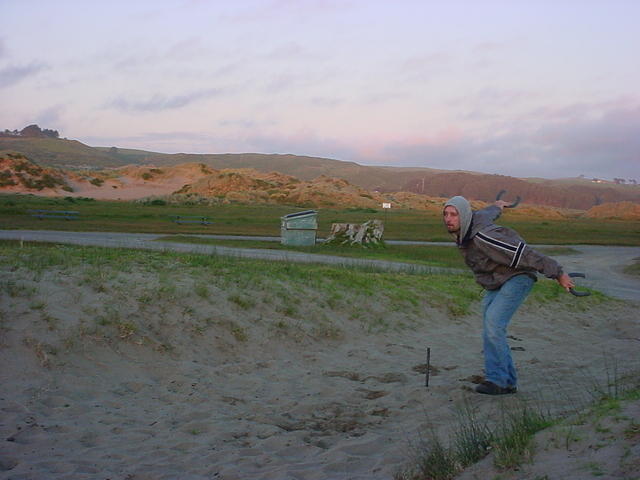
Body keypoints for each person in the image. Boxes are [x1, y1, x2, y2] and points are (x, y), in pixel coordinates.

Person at [443, 196, 575, 395]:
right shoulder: (470, 224)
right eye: (445, 214)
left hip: (518, 277)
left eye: (454, 214)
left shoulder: (484, 236)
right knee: (489, 324)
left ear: (464, 215)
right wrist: (498, 205)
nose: (448, 219)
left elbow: (524, 254)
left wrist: (558, 273)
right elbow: (488, 212)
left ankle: (499, 382)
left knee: (494, 323)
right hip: (498, 279)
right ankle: (507, 380)